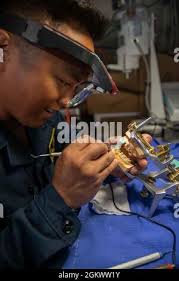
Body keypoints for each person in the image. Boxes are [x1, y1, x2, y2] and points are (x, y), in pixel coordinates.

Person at [0, 0, 149, 269]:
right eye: (65, 82)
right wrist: (61, 198)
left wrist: (103, 163)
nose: (67, 102)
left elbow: (54, 163)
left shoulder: (43, 120)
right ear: (3, 48)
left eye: (77, 87)